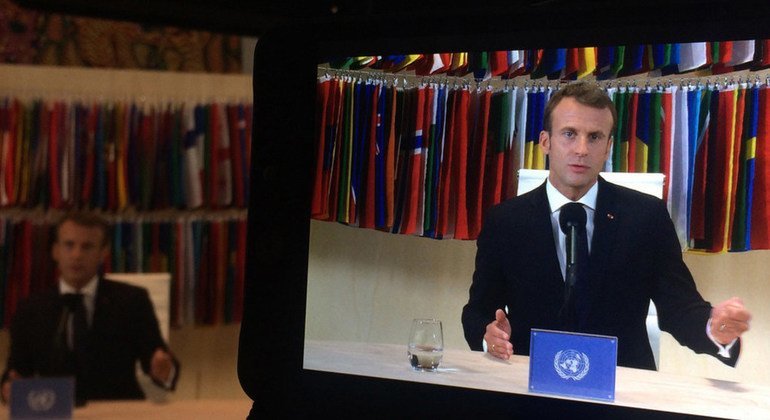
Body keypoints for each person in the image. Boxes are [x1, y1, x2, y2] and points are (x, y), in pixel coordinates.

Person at [461, 81, 752, 370]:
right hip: (529, 381)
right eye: (569, 134)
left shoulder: (646, 216)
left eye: (595, 137)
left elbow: (679, 307)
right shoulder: (505, 221)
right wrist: (488, 337)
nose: (582, 149)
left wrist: (713, 329)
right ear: (546, 142)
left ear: (608, 147)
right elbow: (478, 311)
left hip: (623, 388)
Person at [1, 211, 180, 403]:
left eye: (87, 247)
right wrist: (8, 389)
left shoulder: (132, 300)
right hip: (55, 411)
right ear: (55, 251)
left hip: (119, 412)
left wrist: (164, 370)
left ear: (103, 253)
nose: (77, 255)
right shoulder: (31, 309)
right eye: (69, 245)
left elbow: (158, 359)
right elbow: (16, 371)